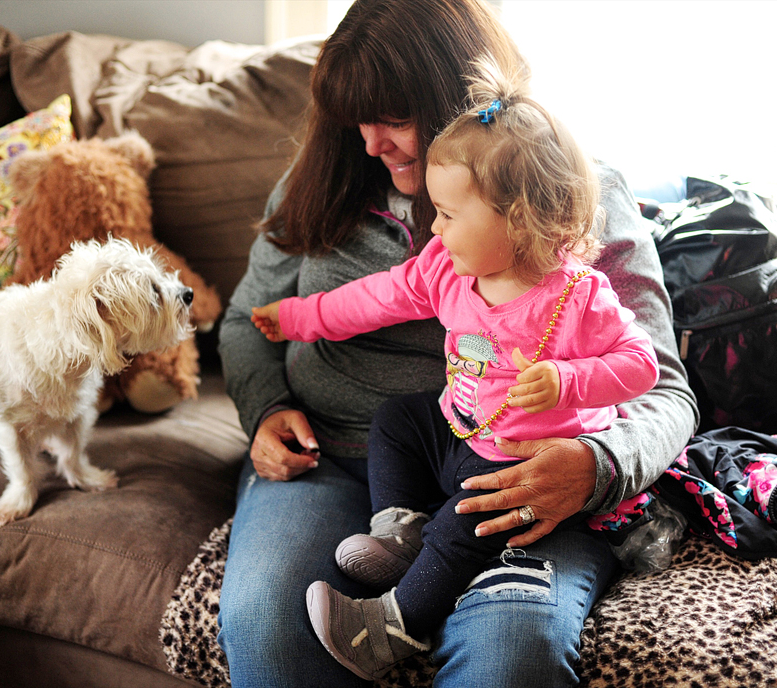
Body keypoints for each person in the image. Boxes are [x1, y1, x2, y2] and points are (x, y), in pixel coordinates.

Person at [216, 1, 698, 686]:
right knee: (269, 623)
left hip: (512, 476)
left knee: (510, 657)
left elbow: (665, 388)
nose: (368, 142)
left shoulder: (571, 199)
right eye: (355, 118)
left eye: (394, 117)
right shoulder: (319, 183)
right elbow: (246, 323)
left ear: (456, 101)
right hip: (332, 457)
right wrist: (264, 407)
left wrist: (595, 463)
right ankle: (397, 530)